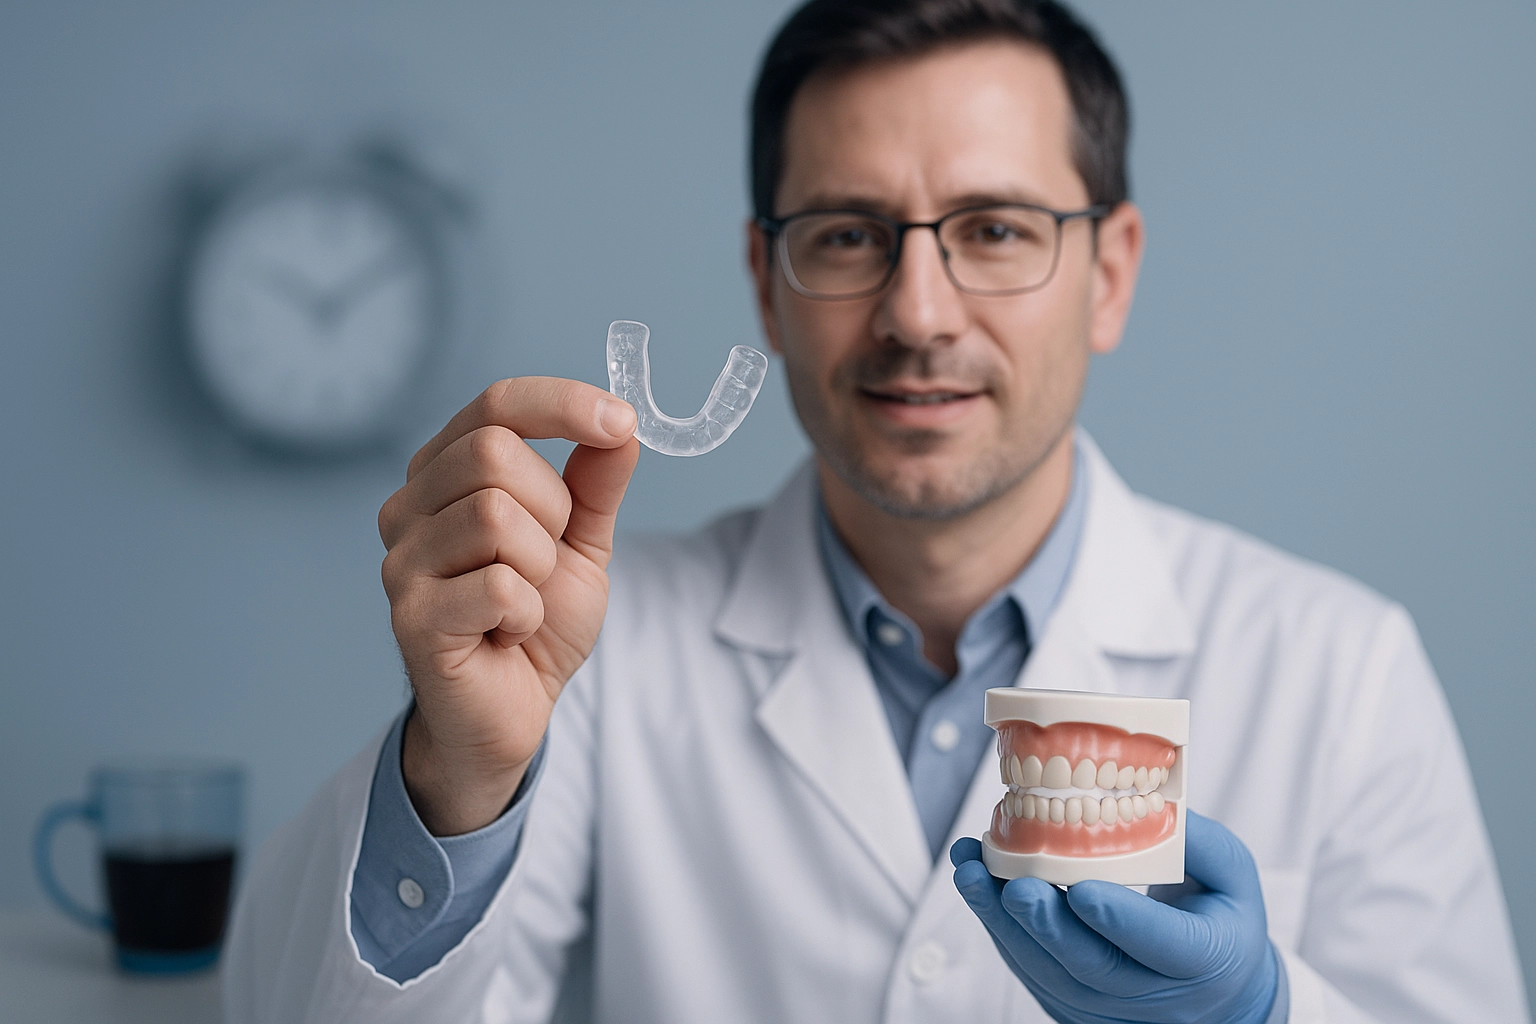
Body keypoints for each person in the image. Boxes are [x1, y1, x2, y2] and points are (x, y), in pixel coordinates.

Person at [223, 1, 1529, 1021]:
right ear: (765, 281)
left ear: (1110, 274)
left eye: (997, 230)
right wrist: (460, 777)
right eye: (848, 235)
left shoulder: (1342, 670)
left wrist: (1266, 1013)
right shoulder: (596, 655)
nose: (916, 313)